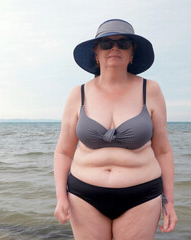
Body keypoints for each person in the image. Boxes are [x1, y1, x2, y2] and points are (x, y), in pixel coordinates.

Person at [54, 19, 177, 239]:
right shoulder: (78, 94)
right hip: (84, 196)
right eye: (106, 43)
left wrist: (169, 202)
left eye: (123, 43)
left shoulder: (151, 90)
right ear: (96, 53)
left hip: (142, 196)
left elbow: (163, 151)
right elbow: (63, 151)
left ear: (132, 54)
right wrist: (61, 197)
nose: (114, 48)